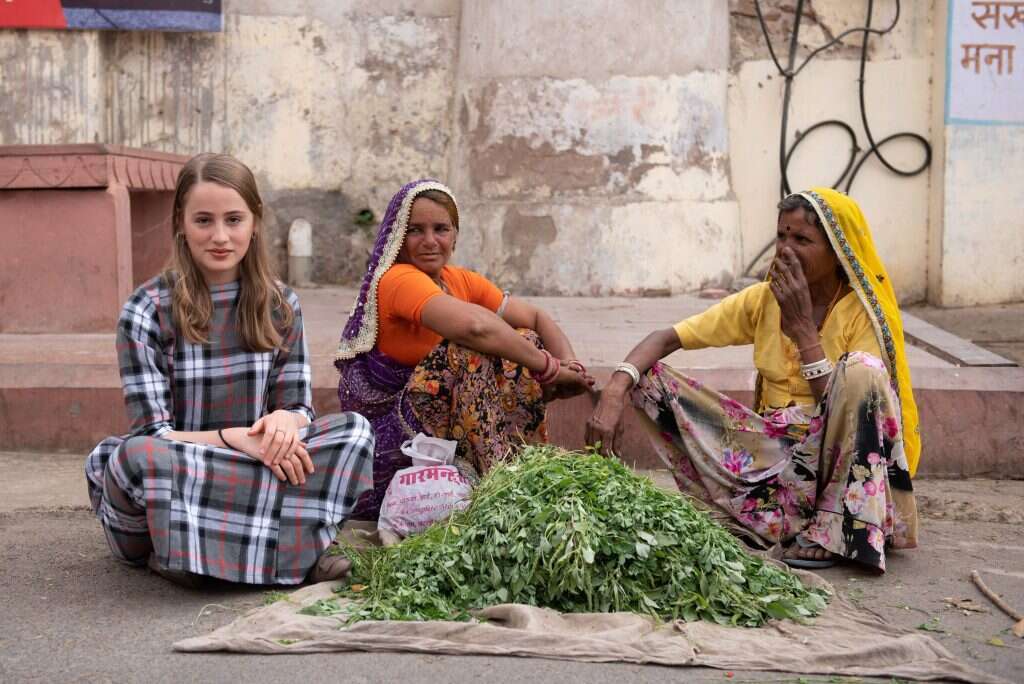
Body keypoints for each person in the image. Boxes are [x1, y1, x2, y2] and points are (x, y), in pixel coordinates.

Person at [586, 187, 919, 572]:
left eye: (802, 240)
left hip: (835, 462)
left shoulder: (863, 314)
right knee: (647, 379)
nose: (786, 250)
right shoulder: (764, 299)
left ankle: (834, 530)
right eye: (781, 236)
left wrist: (803, 332)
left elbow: (852, 411)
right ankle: (765, 517)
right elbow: (666, 338)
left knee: (862, 369)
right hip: (770, 456)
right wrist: (614, 390)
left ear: (837, 252)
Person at [85, 153, 374, 587]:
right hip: (183, 468)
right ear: (180, 223)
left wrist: (284, 421)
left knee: (354, 432)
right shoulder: (145, 310)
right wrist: (235, 439)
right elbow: (154, 435)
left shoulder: (280, 305)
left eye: (234, 220)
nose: (220, 236)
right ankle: (294, 552)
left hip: (257, 461)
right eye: (203, 220)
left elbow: (299, 408)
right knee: (135, 458)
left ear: (254, 222)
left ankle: (200, 557)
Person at [336, 179, 593, 518]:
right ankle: (500, 485)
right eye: (415, 230)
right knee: (471, 351)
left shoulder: (458, 280)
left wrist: (570, 366)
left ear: (455, 235)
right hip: (400, 442)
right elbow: (475, 327)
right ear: (397, 236)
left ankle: (511, 468)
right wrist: (550, 369)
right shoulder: (398, 279)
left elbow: (535, 317)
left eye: (441, 229)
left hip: (449, 427)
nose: (430, 241)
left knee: (523, 339)